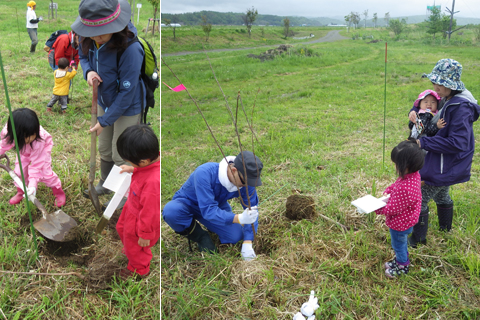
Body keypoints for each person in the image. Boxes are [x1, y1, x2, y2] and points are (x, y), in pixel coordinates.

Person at [71, 0, 145, 210]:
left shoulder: (131, 49)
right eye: (92, 32)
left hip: (127, 106)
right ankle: (105, 183)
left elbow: (127, 93)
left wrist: (105, 120)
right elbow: (83, 56)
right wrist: (88, 72)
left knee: (120, 152)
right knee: (104, 148)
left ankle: (124, 195)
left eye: (101, 33)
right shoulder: (87, 35)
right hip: (104, 100)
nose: (95, 37)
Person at [408, 59, 480, 247]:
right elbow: (428, 108)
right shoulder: (450, 99)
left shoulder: (461, 107)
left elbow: (459, 142)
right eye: (434, 82)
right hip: (444, 162)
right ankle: (445, 229)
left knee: (421, 197)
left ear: (451, 85)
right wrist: (414, 111)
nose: (435, 87)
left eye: (440, 84)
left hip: (445, 163)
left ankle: (418, 239)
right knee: (441, 194)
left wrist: (423, 142)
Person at [162, 151, 263, 261]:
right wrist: (238, 218)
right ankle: (200, 236)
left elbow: (252, 209)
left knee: (236, 236)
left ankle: (213, 226)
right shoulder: (205, 173)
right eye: (244, 182)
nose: (246, 186)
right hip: (187, 204)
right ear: (234, 171)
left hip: (216, 205)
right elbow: (208, 211)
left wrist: (248, 241)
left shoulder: (246, 179)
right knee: (171, 212)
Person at [115, 124, 160, 280]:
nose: (128, 162)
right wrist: (133, 169)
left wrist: (145, 234)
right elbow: (142, 169)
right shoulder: (146, 166)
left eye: (130, 162)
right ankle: (129, 248)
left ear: (143, 161)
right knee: (121, 228)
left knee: (137, 245)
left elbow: (150, 212)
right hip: (131, 208)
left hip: (141, 220)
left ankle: (139, 268)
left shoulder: (153, 182)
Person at [376, 139, 424, 278]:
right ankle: (400, 260)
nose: (395, 167)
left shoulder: (405, 189)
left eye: (397, 164)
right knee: (400, 242)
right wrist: (389, 189)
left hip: (400, 223)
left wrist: (376, 208)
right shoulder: (413, 175)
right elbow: (397, 184)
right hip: (407, 219)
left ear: (406, 166)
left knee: (398, 244)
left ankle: (402, 265)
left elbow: (392, 209)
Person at [0, 108, 66, 207]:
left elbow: (36, 165)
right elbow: (3, 145)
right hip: (23, 151)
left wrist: (33, 185)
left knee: (45, 173)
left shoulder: (38, 141)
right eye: (27, 136)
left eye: (33, 134)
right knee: (19, 171)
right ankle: (21, 191)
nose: (31, 138)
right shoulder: (8, 133)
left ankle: (58, 192)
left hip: (41, 151)